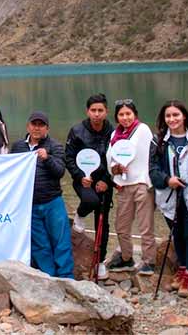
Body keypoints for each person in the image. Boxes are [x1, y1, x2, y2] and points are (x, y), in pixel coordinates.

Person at [149, 100, 188, 297]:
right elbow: (153, 170)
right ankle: (181, 270)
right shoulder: (158, 142)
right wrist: (167, 179)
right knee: (177, 234)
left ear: (184, 116)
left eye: (176, 115)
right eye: (168, 116)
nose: (172, 119)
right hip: (169, 195)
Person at [10, 111, 73, 278]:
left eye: (41, 125)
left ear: (47, 128)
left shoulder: (55, 146)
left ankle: (67, 277)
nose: (37, 128)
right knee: (40, 245)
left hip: (53, 201)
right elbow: (9, 171)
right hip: (29, 204)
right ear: (28, 126)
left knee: (61, 241)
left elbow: (60, 171)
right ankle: (49, 278)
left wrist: (48, 158)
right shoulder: (18, 147)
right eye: (34, 124)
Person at [64, 93, 113, 280]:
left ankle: (100, 261)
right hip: (83, 179)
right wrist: (79, 175)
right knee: (90, 200)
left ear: (106, 112)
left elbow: (116, 159)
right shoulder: (77, 131)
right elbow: (68, 158)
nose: (97, 114)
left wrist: (106, 181)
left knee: (103, 220)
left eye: (100, 110)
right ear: (88, 111)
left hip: (103, 182)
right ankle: (79, 214)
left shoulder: (112, 132)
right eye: (93, 110)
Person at [106, 99, 156, 275]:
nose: (125, 117)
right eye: (121, 114)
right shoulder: (114, 135)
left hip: (142, 183)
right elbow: (110, 161)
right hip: (123, 185)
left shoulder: (143, 130)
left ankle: (149, 260)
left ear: (135, 114)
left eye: (128, 113)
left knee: (145, 225)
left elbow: (150, 155)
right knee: (121, 225)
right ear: (117, 117)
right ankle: (127, 258)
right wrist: (116, 168)